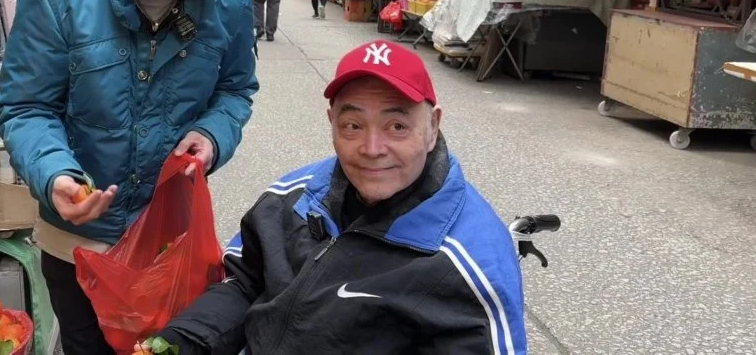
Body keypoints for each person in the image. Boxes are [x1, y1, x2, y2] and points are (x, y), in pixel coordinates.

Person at [0, 0, 259, 355]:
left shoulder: (229, 0)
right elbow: (26, 106)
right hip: (77, 246)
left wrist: (211, 135)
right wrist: (55, 175)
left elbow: (235, 89)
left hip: (170, 243)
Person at [139, 40, 526, 354]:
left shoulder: (469, 264)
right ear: (332, 123)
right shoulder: (290, 197)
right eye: (353, 125)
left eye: (397, 126)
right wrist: (180, 343)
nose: (372, 149)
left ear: (432, 126)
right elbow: (244, 283)